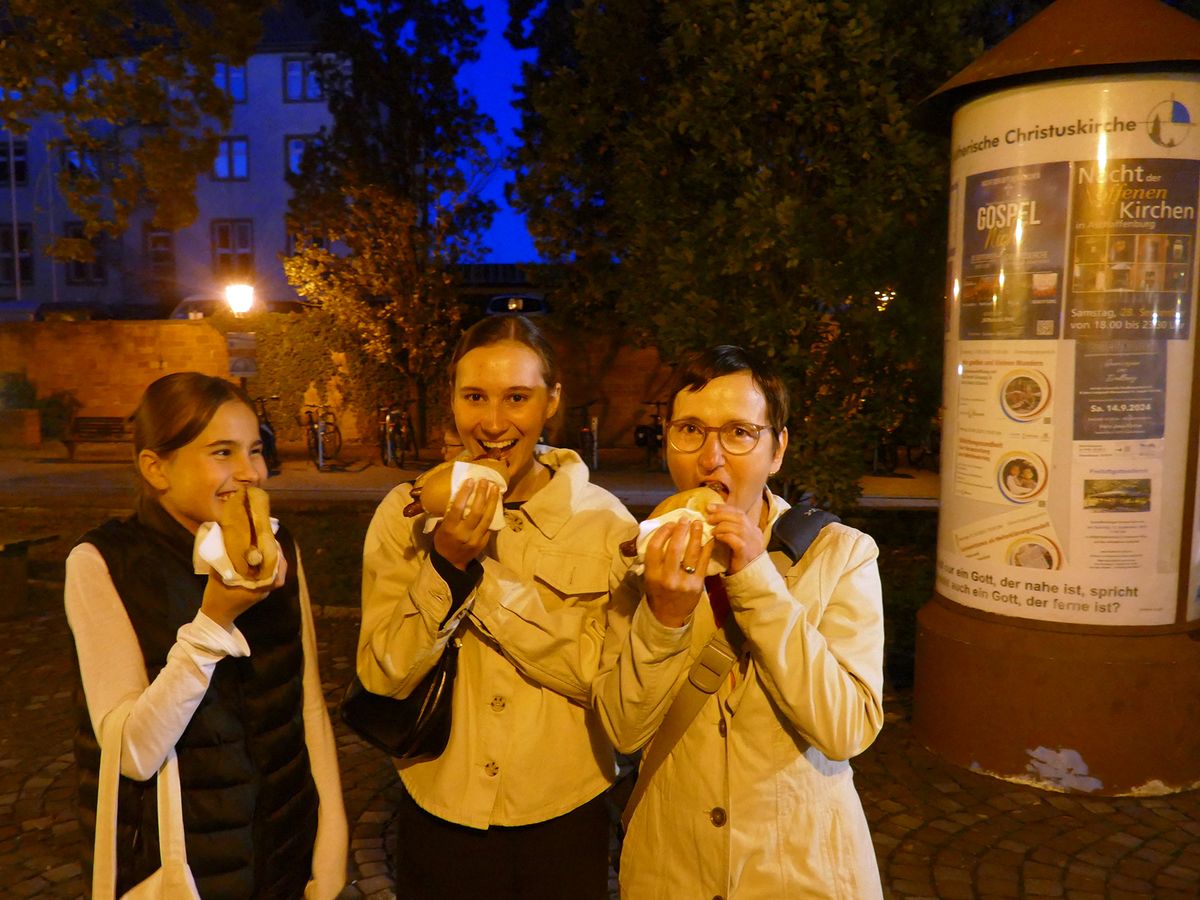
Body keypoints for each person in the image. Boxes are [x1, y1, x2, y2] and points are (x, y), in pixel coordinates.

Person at [357, 315, 639, 899]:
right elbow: (382, 674)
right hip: (440, 803)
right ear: (452, 401)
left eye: (517, 397)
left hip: (564, 811)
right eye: (474, 397)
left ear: (551, 402)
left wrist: (474, 579)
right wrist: (441, 570)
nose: (492, 423)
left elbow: (604, 682)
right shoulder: (404, 514)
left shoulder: (605, 524)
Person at [596, 345, 885, 898]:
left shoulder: (840, 554)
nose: (711, 458)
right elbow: (623, 731)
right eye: (690, 430)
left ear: (778, 449)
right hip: (671, 868)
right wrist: (664, 616)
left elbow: (846, 728)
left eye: (739, 433)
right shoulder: (637, 558)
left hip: (801, 869)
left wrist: (755, 579)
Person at [65, 372, 347, 898]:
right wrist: (213, 623)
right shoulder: (103, 563)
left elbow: (306, 706)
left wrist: (330, 841)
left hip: (283, 849)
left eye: (255, 450)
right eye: (222, 452)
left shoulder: (281, 549)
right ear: (157, 468)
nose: (250, 473)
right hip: (182, 872)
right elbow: (132, 752)